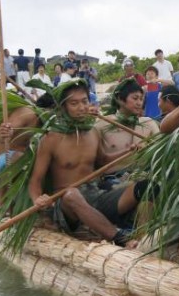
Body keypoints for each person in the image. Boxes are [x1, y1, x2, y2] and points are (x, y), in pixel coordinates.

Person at [29, 80, 144, 248]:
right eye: (74, 103)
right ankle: (120, 238)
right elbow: (35, 181)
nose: (82, 107)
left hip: (96, 196)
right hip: (68, 206)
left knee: (142, 186)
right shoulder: (50, 139)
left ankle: (147, 232)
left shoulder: (92, 132)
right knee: (71, 194)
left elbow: (103, 161)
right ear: (63, 107)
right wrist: (37, 199)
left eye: (84, 101)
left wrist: (128, 151)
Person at [96, 78, 160, 187]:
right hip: (113, 182)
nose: (139, 103)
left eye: (141, 99)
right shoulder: (102, 124)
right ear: (120, 99)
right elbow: (97, 162)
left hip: (145, 178)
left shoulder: (149, 123)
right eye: (135, 98)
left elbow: (161, 149)